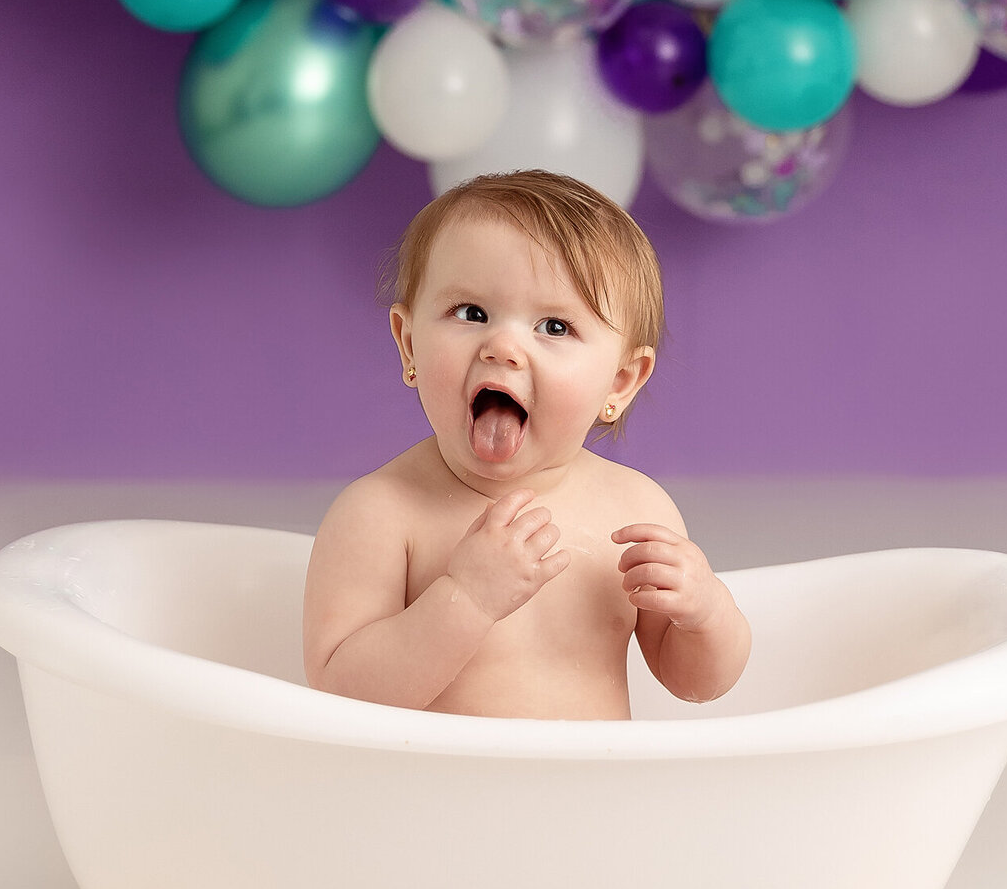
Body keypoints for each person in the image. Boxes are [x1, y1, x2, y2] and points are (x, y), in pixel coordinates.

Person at [303, 169, 751, 718]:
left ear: (620, 382)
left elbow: (696, 684)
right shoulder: (380, 514)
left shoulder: (636, 510)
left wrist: (706, 612)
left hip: (589, 799)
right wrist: (464, 600)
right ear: (409, 343)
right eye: (471, 313)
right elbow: (336, 694)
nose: (504, 346)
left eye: (555, 327)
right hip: (438, 798)